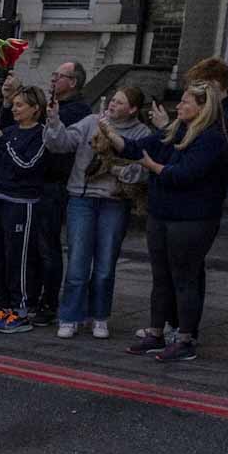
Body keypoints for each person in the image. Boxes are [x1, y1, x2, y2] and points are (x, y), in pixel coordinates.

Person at [100, 82, 228, 362]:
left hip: (192, 220)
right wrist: (109, 132)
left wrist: (153, 167)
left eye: (186, 102)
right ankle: (156, 333)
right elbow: (135, 148)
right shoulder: (174, 131)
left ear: (202, 107)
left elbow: (183, 175)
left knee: (184, 279)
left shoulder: (212, 140)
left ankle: (185, 340)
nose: (179, 105)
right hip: (161, 214)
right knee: (160, 278)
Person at [44, 87, 150, 339]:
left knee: (105, 265)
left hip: (115, 202)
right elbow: (60, 144)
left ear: (132, 109)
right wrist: (54, 120)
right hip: (82, 199)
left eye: (119, 102)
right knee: (78, 263)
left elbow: (142, 171)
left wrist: (114, 168)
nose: (112, 105)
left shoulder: (141, 133)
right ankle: (70, 317)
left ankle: (99, 317)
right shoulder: (92, 121)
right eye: (112, 100)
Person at [0, 84, 53, 334]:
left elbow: (26, 166)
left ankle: (22, 311)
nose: (14, 109)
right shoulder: (9, 131)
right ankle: (5, 307)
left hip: (22, 204)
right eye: (15, 104)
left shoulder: (42, 135)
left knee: (18, 259)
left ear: (35, 109)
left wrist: (2, 140)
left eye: (20, 105)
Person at [25, 61, 92, 326]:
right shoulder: (50, 107)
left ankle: (49, 302)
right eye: (53, 75)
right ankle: (31, 296)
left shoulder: (78, 111)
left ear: (73, 82)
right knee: (32, 245)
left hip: (55, 186)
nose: (52, 79)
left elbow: (59, 144)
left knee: (47, 246)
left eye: (58, 76)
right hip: (36, 183)